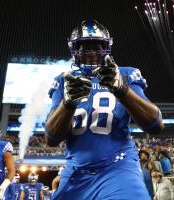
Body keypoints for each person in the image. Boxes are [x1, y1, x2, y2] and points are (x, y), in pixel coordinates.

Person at [45, 19, 164, 200]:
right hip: (76, 171)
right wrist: (67, 104)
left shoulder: (126, 74)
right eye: (84, 47)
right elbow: (51, 138)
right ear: (75, 49)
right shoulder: (63, 80)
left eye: (97, 46)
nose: (91, 52)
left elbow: (155, 125)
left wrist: (122, 90)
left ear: (106, 48)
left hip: (118, 168)